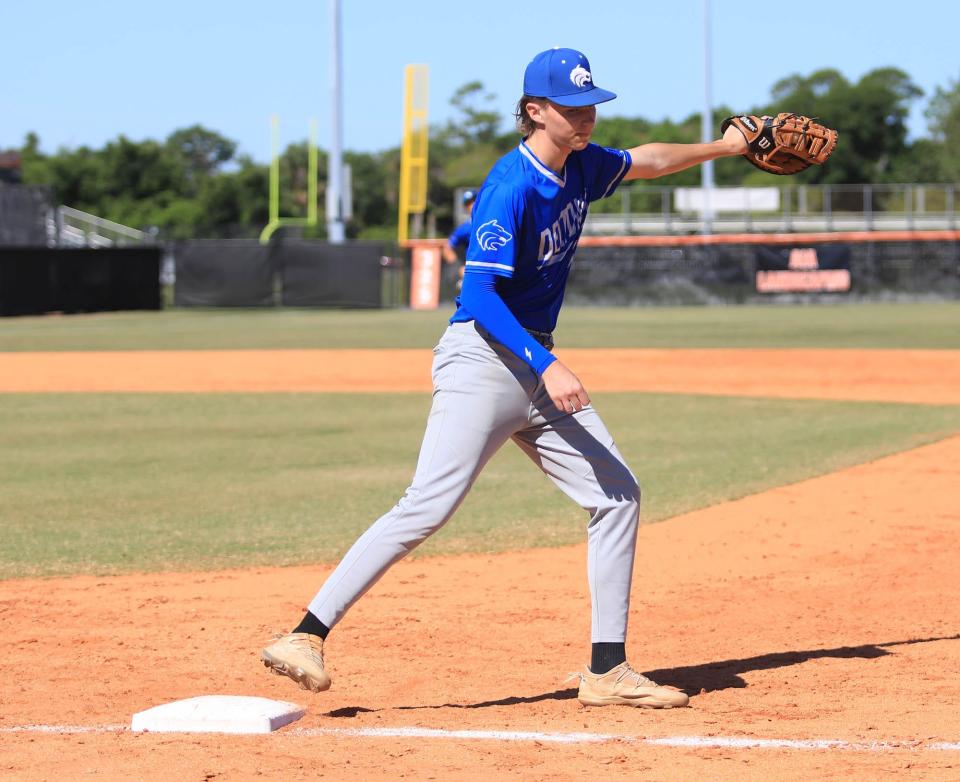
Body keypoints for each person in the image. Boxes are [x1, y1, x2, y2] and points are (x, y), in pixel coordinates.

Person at [262, 46, 748, 709]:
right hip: (486, 360)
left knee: (617, 497)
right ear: (535, 111)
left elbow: (649, 159)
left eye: (591, 105)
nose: (587, 117)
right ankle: (305, 634)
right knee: (428, 506)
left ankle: (607, 670)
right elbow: (483, 297)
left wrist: (724, 147)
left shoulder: (582, 166)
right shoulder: (510, 186)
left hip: (534, 362)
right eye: (574, 108)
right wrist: (548, 364)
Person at [441, 189, 476, 290]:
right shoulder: (465, 228)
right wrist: (459, 268)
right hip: (475, 271)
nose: (472, 205)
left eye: (474, 201)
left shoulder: (493, 222)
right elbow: (447, 247)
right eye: (468, 203)